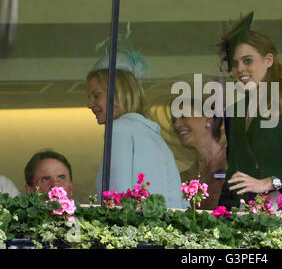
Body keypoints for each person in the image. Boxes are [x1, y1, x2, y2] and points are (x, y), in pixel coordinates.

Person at [217, 12, 282, 209]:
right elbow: (235, 176)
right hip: (248, 212)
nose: (240, 68)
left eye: (247, 60)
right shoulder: (234, 112)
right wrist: (220, 216)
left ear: (268, 60)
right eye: (234, 63)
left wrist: (270, 181)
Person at [87, 45, 188, 209]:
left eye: (96, 95)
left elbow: (117, 202)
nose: (89, 104)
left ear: (118, 93)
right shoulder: (150, 132)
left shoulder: (119, 129)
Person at [171, 97, 227, 210]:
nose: (176, 125)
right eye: (173, 120)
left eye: (184, 116)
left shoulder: (233, 163)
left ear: (208, 119)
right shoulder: (183, 177)